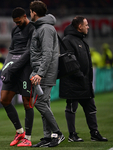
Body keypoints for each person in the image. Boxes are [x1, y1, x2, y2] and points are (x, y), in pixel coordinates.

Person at [59, 16, 108, 142]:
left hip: (84, 82)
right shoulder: (68, 40)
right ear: (79, 26)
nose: (88, 27)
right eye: (86, 25)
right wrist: (80, 75)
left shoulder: (80, 40)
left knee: (91, 107)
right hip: (72, 82)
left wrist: (86, 78)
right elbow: (68, 61)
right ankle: (72, 135)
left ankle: (94, 133)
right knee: (71, 108)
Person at [29, 1, 65, 147]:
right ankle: (48, 136)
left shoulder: (45, 28)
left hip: (44, 73)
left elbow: (48, 53)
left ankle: (58, 133)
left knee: (39, 102)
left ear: (34, 12)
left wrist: (41, 73)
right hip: (39, 71)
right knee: (45, 103)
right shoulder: (41, 28)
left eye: (30, 11)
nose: (29, 14)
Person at [0, 7, 34, 147]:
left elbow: (29, 51)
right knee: (4, 99)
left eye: (19, 22)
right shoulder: (15, 30)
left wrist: (14, 67)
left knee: (27, 102)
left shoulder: (32, 28)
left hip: (25, 68)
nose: (17, 24)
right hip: (13, 67)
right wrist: (6, 66)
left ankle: (28, 137)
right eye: (15, 22)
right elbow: (11, 50)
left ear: (25, 16)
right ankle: (19, 131)